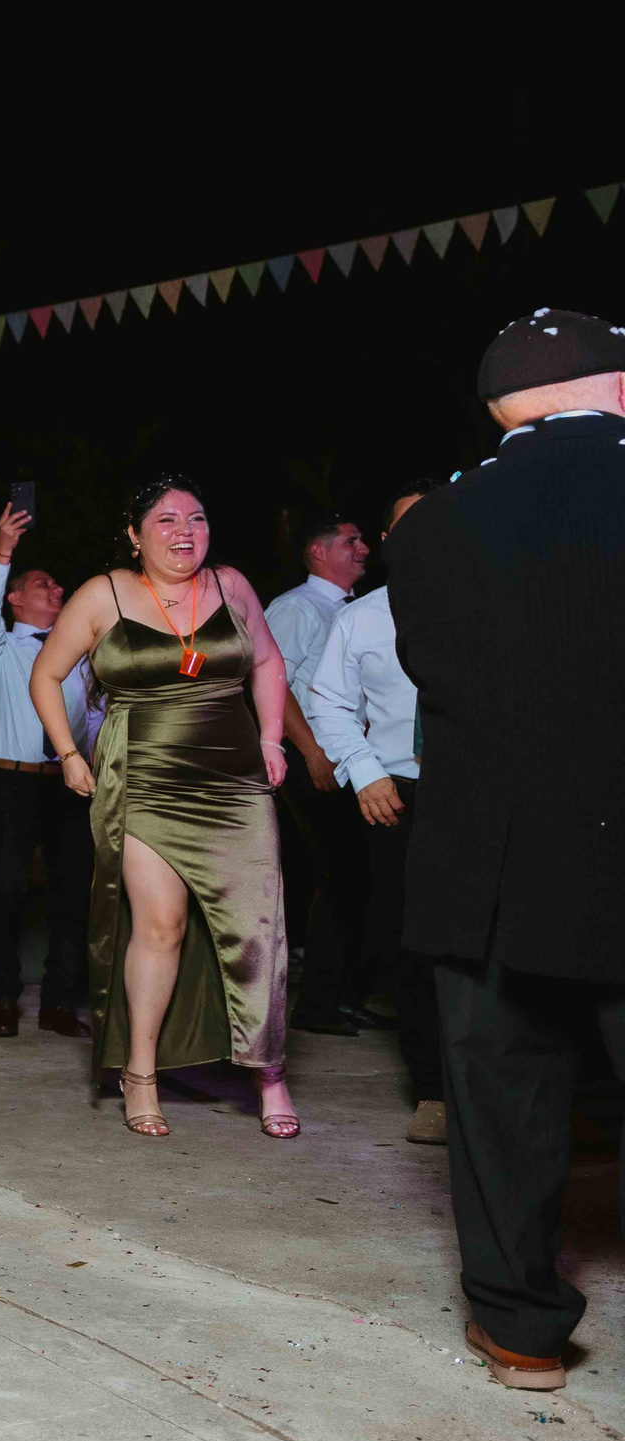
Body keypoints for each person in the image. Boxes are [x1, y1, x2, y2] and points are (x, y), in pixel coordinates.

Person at [388, 308, 625, 1393]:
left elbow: (443, 680)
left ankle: (522, 1330)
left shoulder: (430, 524)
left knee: (502, 1092)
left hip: (489, 857)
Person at [30, 477, 296, 1140]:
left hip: (234, 779)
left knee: (258, 927)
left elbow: (266, 658)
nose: (185, 532)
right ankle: (141, 1072)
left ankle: (270, 1071)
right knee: (161, 927)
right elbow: (45, 673)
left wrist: (269, 736)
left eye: (198, 518)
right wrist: (67, 751)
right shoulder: (104, 593)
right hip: (145, 778)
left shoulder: (231, 585)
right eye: (168, 520)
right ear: (134, 533)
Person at [303, 480, 443, 1144]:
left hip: (479, 788)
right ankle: (434, 1089)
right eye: (406, 526)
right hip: (402, 793)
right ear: (389, 542)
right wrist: (364, 771)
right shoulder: (360, 618)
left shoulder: (489, 598)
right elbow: (327, 699)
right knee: (416, 944)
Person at [0, 503, 95, 1038]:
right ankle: (3, 998)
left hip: (71, 784)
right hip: (11, 782)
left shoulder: (82, 657)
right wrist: (3, 551)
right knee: (7, 890)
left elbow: (92, 717)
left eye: (58, 586)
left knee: (73, 893)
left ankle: (60, 1002)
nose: (57, 591)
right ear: (16, 598)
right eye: (43, 585)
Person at [266, 514, 383, 1036]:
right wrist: (312, 752)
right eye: (350, 541)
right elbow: (271, 683)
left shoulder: (355, 610)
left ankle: (338, 997)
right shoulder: (297, 608)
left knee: (353, 879)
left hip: (349, 762)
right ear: (317, 551)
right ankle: (319, 1005)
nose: (363, 548)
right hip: (312, 761)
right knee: (342, 875)